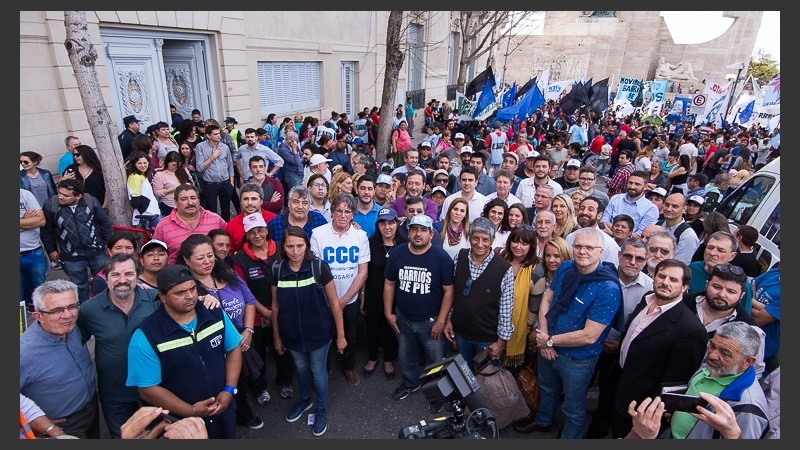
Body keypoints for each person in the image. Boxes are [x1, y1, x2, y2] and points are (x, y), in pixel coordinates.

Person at [514, 227, 622, 438]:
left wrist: (549, 342)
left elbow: (590, 335)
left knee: (573, 407)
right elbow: (547, 298)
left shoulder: (608, 288)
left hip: (577, 360)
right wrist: (544, 335)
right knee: (547, 388)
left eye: (589, 247)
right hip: (548, 346)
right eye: (578, 246)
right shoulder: (566, 267)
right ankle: (543, 421)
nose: (582, 251)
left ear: (601, 252)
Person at [125, 265, 243, 439]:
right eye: (180, 293)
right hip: (181, 425)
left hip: (223, 409)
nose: (190, 296)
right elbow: (148, 389)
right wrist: (191, 411)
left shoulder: (215, 313)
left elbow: (233, 348)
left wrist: (229, 389)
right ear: (163, 297)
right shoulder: (146, 336)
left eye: (192, 289)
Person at [605, 259, 709, 438]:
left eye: (673, 280)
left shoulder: (691, 329)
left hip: (642, 403)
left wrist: (653, 410)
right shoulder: (646, 299)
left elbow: (675, 382)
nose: (665, 282)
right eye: (662, 276)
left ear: (684, 287)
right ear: (653, 277)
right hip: (619, 382)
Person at [176, 234, 264, 430]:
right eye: (200, 258)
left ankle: (243, 413)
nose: (207, 261)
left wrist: (248, 331)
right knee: (213, 387)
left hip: (239, 340)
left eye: (210, 255)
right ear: (186, 261)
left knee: (238, 382)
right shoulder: (184, 289)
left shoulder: (228, 273)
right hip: (209, 349)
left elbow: (249, 301)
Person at [625, 321, 769, 439]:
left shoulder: (749, 407)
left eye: (725, 353)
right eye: (712, 345)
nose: (712, 355)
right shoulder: (712, 366)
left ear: (747, 361)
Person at [268, 226, 346, 437]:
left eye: (299, 246)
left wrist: (340, 335)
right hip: (291, 334)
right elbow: (275, 307)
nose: (295, 251)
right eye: (290, 246)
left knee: (317, 370)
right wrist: (276, 336)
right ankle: (304, 400)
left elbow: (335, 304)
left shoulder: (319, 267)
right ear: (283, 247)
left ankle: (320, 410)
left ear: (307, 246)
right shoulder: (277, 269)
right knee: (301, 369)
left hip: (319, 333)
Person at [76, 254, 162, 438]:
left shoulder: (156, 299)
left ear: (138, 276)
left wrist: (206, 300)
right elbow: (77, 342)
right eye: (115, 275)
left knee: (160, 434)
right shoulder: (89, 309)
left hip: (156, 388)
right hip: (114, 392)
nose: (122, 281)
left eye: (129, 274)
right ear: (105, 278)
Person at [584, 237, 654, 438]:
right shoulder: (601, 276)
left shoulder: (649, 288)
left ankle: (596, 432)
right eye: (628, 256)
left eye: (639, 258)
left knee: (609, 393)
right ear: (619, 255)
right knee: (580, 386)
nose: (633, 262)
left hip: (619, 349)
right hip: (589, 343)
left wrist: (620, 343)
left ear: (646, 260)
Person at [384, 214, 455, 401]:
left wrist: (441, 320)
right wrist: (388, 313)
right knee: (406, 357)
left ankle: (439, 394)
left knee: (437, 361)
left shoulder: (441, 257)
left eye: (423, 230)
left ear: (431, 234)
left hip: (431, 322)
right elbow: (389, 284)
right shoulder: (397, 253)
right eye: (414, 229)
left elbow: (449, 292)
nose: (418, 234)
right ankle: (410, 384)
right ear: (408, 232)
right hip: (403, 318)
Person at [21, 280, 100, 438]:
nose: (67, 315)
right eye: (57, 310)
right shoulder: (24, 352)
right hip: (63, 427)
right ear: (38, 316)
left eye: (72, 306)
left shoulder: (73, 326)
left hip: (91, 410)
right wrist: (44, 426)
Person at [231, 212, 296, 404]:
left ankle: (284, 381)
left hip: (283, 311)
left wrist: (276, 311)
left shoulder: (280, 249)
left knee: (283, 348)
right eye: (252, 232)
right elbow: (243, 290)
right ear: (246, 235)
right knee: (257, 352)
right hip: (257, 315)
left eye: (260, 230)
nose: (257, 235)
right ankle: (259, 387)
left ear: (266, 230)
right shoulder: (240, 259)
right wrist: (264, 311)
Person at [309, 193, 370, 387]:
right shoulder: (318, 233)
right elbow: (315, 270)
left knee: (350, 335)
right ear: (332, 212)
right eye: (339, 211)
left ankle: (348, 366)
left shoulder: (360, 236)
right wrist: (334, 301)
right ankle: (324, 367)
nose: (343, 215)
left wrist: (343, 300)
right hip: (324, 299)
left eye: (347, 211)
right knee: (325, 335)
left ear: (353, 214)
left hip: (349, 299)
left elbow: (362, 273)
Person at [444, 217, 514, 372]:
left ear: (492, 240)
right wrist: (449, 319)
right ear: (469, 238)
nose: (480, 244)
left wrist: (500, 342)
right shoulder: (460, 257)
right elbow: (454, 293)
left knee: (487, 383)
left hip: (487, 339)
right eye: (475, 238)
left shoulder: (503, 268)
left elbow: (506, 309)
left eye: (485, 239)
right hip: (461, 332)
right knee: (465, 376)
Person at [41, 178, 113, 303]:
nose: (60, 197)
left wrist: (107, 243)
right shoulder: (51, 205)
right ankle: (84, 312)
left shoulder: (90, 201)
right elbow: (47, 230)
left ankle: (105, 306)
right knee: (79, 287)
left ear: (78, 196)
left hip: (97, 252)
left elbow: (105, 223)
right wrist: (51, 249)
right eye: (59, 193)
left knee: (104, 281)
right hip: (71, 256)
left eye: (65, 195)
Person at [361, 208, 401, 379]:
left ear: (396, 224)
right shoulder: (370, 243)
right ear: (378, 225)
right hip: (373, 293)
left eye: (391, 222)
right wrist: (362, 298)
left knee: (391, 328)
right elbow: (363, 273)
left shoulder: (404, 244)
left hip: (396, 296)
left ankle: (388, 360)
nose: (387, 227)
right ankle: (372, 358)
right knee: (373, 328)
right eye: (383, 223)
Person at [499, 225, 543, 370]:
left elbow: (534, 306)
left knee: (511, 373)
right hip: (493, 322)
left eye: (524, 244)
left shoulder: (536, 269)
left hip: (520, 328)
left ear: (531, 246)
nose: (518, 247)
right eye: (515, 241)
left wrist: (527, 329)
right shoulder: (499, 260)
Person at [151, 184, 227, 264]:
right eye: (184, 199)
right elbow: (156, 253)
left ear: (199, 200)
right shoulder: (163, 225)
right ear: (175, 202)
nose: (190, 202)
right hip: (178, 274)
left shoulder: (215, 219)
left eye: (193, 198)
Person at [688, 231, 754, 314]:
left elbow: (744, 318)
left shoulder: (740, 284)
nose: (712, 253)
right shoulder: (693, 268)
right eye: (710, 247)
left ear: (732, 256)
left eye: (720, 250)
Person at [600, 170, 659, 236]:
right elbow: (603, 221)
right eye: (630, 183)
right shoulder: (615, 198)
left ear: (645, 187)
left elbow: (640, 235)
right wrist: (622, 233)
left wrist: (614, 233)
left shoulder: (651, 209)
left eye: (637, 184)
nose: (632, 187)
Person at [223, 182, 278, 254]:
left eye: (254, 199)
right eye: (246, 199)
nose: (249, 203)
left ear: (261, 201)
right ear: (241, 202)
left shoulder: (274, 219)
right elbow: (230, 253)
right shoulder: (231, 226)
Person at [566, 196, 620, 267]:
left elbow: (611, 271)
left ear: (599, 215)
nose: (584, 212)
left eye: (590, 209)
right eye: (582, 208)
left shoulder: (608, 244)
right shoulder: (570, 237)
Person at [20, 188, 47, 312]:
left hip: (33, 251)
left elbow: (41, 220)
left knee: (39, 292)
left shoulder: (25, 194)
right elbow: (35, 221)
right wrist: (26, 221)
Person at [656, 193, 701, 264]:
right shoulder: (656, 224)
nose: (669, 209)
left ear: (684, 209)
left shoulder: (688, 236)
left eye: (675, 206)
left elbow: (678, 265)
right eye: (667, 205)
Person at [61, 144, 107, 208]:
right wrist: (63, 180)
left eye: (77, 155)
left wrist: (105, 205)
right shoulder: (71, 169)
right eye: (74, 155)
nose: (75, 157)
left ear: (86, 155)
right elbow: (61, 188)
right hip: (77, 206)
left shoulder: (99, 170)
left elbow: (107, 189)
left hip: (98, 205)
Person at [125, 151, 162, 228]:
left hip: (153, 212)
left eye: (145, 163)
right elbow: (135, 201)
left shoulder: (142, 175)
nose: (143, 165)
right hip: (148, 214)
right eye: (139, 163)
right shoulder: (135, 177)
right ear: (134, 164)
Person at [152, 150, 194, 216]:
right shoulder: (160, 175)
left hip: (187, 204)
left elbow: (191, 183)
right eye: (173, 165)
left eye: (178, 165)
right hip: (169, 205)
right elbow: (157, 193)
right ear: (167, 163)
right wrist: (170, 190)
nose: (176, 167)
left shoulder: (183, 170)